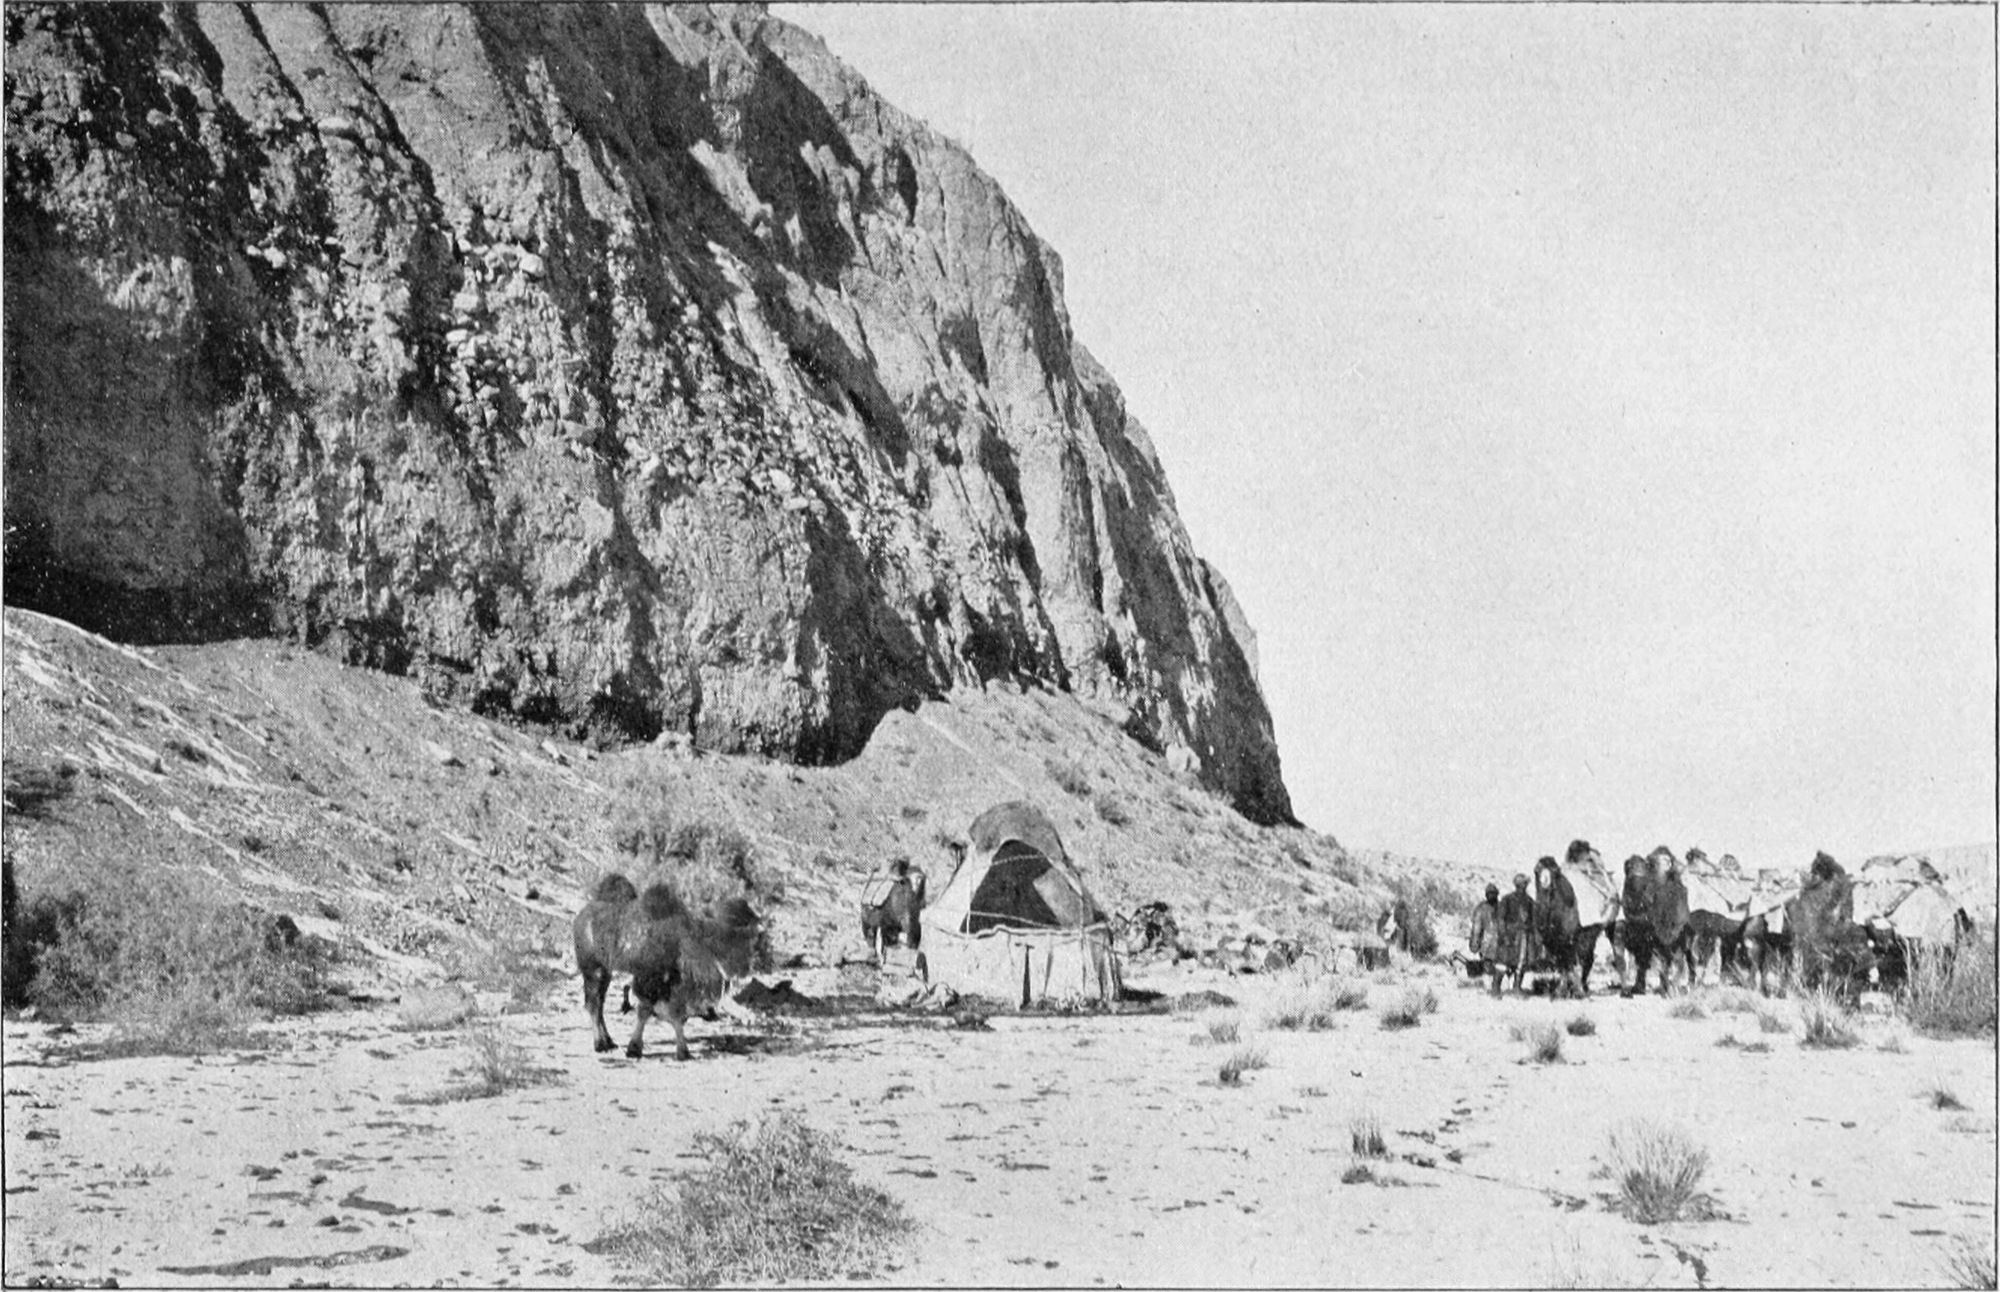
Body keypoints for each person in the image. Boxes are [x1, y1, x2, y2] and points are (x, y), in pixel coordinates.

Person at [1534, 854, 1582, 997]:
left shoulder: (1559, 884)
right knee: (1566, 960)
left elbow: (1565, 903)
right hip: (1562, 927)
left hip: (1564, 928)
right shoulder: (1558, 883)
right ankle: (1570, 986)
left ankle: (1570, 987)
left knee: (1567, 958)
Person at [1497, 873, 1538, 995]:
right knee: (1504, 961)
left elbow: (1533, 920)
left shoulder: (1529, 901)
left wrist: (1533, 935)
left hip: (1524, 935)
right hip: (1510, 935)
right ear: (1517, 885)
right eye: (1521, 885)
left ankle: (1517, 987)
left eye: (1525, 884)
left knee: (1522, 962)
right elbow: (1501, 918)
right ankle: (1496, 988)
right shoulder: (1507, 899)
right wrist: (1504, 935)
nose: (1523, 887)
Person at [1468, 883, 1503, 995]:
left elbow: (1476, 930)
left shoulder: (1501, 908)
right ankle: (1493, 987)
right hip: (1490, 944)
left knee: (1492, 966)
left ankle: (1494, 987)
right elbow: (1476, 929)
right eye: (1490, 893)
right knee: (1491, 966)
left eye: (1493, 893)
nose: (1491, 895)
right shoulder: (1482, 909)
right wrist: (1474, 943)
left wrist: (1474, 944)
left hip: (1493, 943)